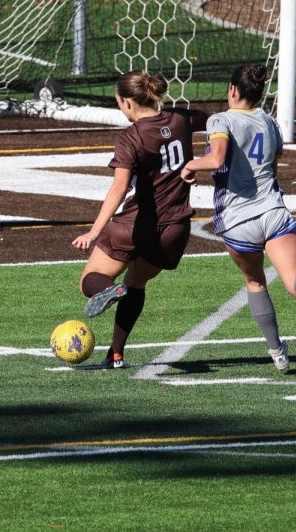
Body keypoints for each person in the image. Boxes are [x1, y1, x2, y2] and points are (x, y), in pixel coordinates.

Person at [180, 63, 296, 374]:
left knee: (254, 281)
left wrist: (190, 166)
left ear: (233, 90)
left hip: (240, 221)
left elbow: (217, 158)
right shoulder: (269, 121)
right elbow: (274, 165)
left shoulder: (221, 119)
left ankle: (278, 352)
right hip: (274, 212)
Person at [71, 70, 207, 369]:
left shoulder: (130, 137)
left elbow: (119, 189)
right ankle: (116, 354)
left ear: (126, 102)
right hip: (175, 228)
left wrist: (94, 232)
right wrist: (203, 161)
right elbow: (217, 122)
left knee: (89, 281)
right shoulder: (180, 119)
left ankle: (107, 289)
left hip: (134, 225)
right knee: (135, 284)